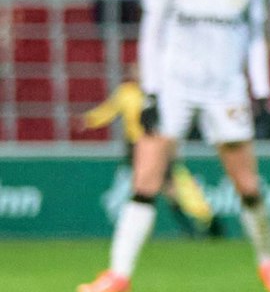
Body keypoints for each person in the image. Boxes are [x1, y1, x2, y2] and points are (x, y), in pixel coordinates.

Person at [78, 0, 270, 292]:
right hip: (175, 88)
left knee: (247, 184)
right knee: (145, 180)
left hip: (225, 89)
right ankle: (118, 274)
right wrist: (151, 92)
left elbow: (254, 40)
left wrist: (260, 91)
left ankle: (269, 263)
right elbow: (151, 37)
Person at [78, 79, 220, 238]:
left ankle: (200, 223)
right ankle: (193, 226)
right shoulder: (127, 92)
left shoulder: (159, 92)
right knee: (152, 187)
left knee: (168, 186)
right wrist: (89, 120)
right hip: (135, 146)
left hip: (156, 144)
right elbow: (109, 110)